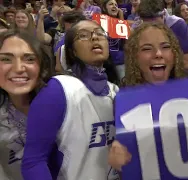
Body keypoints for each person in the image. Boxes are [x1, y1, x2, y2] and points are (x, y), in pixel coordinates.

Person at [108, 22, 188, 171]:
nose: (158, 54)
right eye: (147, 49)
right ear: (135, 57)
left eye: (166, 47)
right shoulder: (122, 102)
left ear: (174, 55)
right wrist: (120, 163)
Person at [21, 20, 120, 180]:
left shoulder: (117, 92)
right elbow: (34, 162)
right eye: (83, 36)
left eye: (99, 33)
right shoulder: (58, 89)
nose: (95, 38)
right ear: (72, 51)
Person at [0, 29, 55, 180]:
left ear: (42, 67)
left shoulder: (65, 104)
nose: (18, 68)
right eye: (5, 59)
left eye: (29, 59)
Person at [135, 0, 188, 73]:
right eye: (147, 24)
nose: (151, 28)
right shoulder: (138, 28)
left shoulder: (178, 25)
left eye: (155, 24)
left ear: (163, 15)